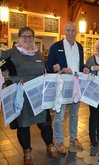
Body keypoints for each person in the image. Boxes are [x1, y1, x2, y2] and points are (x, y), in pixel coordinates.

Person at [1, 27, 58, 165]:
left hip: (38, 94)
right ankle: (27, 154)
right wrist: (12, 79)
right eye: (24, 36)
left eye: (30, 36)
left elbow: (44, 70)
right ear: (19, 38)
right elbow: (2, 69)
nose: (27, 39)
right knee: (23, 125)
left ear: (34, 38)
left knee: (45, 123)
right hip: (20, 96)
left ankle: (50, 146)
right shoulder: (10, 54)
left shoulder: (38, 55)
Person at [47, 22, 90, 153]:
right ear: (64, 31)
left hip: (76, 85)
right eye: (68, 30)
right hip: (62, 85)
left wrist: (85, 68)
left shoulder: (80, 47)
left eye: (73, 31)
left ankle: (73, 138)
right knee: (59, 116)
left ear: (76, 32)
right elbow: (49, 65)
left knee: (74, 114)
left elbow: (80, 65)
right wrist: (58, 68)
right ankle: (59, 142)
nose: (71, 33)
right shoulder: (56, 46)